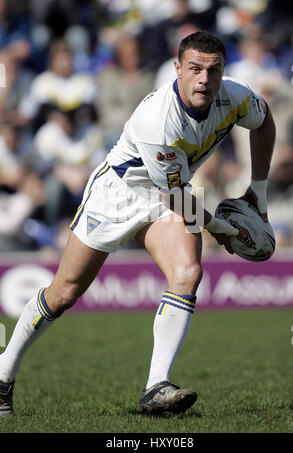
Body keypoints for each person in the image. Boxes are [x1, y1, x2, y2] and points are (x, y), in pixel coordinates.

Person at [0, 30, 276, 416]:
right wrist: (226, 230)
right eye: (195, 68)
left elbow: (264, 124)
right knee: (64, 292)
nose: (204, 79)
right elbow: (178, 199)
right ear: (177, 68)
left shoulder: (236, 96)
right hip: (118, 195)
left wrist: (258, 195)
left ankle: (155, 387)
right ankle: (2, 374)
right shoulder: (158, 121)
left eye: (213, 71)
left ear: (223, 71)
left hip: (167, 197)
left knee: (187, 273)